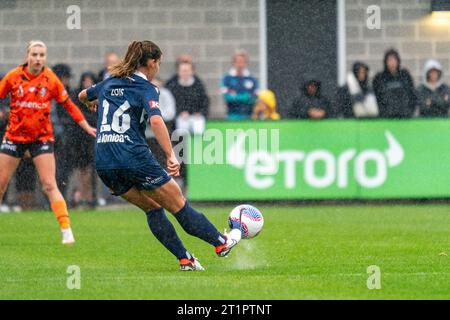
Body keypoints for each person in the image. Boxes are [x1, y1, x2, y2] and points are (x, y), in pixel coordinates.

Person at [79, 40, 241, 271]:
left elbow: (83, 94)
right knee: (178, 204)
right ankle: (220, 243)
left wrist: (90, 103)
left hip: (105, 162)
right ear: (152, 62)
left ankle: (186, 259)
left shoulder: (108, 83)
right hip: (133, 156)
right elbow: (156, 120)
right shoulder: (147, 88)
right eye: (158, 63)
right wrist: (171, 155)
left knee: (153, 208)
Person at [0, 40, 96, 244]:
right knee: (0, 183)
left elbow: (69, 105)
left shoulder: (50, 79)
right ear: (27, 56)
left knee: (49, 183)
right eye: (34, 54)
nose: (38, 59)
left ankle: (66, 230)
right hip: (14, 137)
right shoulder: (13, 77)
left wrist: (87, 127)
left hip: (41, 138)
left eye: (41, 55)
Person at [69, 72, 98, 208]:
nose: (87, 83)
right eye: (85, 80)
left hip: (92, 137)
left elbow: (97, 116)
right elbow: (76, 114)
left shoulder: (98, 96)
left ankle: (89, 196)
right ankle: (79, 194)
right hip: (79, 138)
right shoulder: (77, 96)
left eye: (90, 80)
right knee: (80, 168)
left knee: (90, 169)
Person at [166, 61, 209, 135]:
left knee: (198, 129)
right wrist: (179, 112)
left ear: (192, 71)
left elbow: (205, 101)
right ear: (178, 72)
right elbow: (170, 103)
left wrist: (200, 112)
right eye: (183, 71)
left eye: (187, 70)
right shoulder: (172, 86)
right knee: (182, 131)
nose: (185, 73)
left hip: (196, 116)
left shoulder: (198, 85)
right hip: (180, 116)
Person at [373, 49, 416, 119]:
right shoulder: (379, 78)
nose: (392, 63)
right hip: (386, 118)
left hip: (404, 117)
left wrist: (409, 111)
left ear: (398, 61)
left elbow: (412, 95)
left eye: (394, 60)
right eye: (389, 60)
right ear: (385, 62)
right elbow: (376, 97)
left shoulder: (405, 75)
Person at [221, 50, 258, 120]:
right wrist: (246, 96)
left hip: (248, 117)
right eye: (238, 62)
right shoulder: (227, 79)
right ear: (234, 63)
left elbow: (255, 98)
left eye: (242, 62)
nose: (240, 64)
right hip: (232, 116)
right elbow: (227, 97)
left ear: (246, 63)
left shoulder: (252, 79)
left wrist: (236, 96)